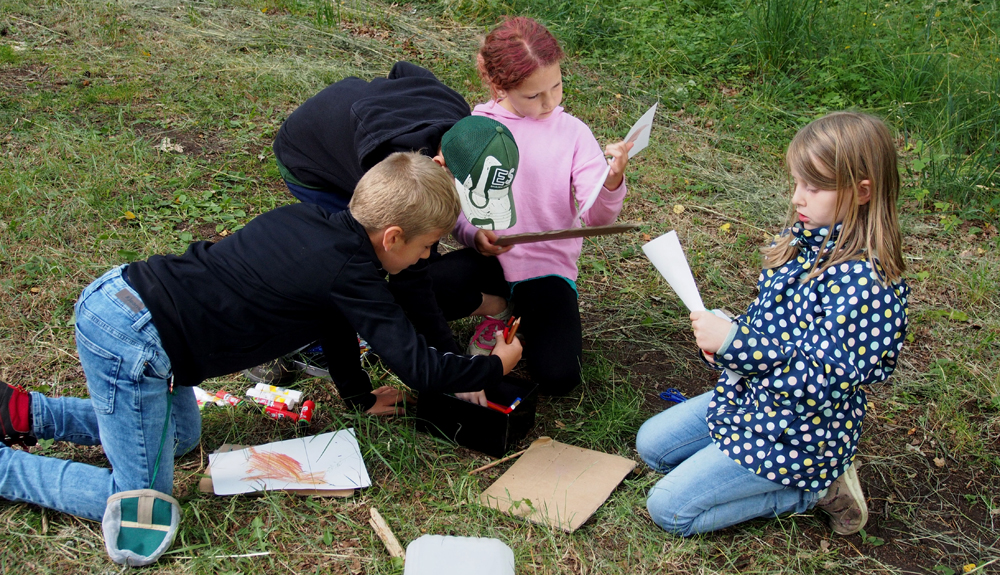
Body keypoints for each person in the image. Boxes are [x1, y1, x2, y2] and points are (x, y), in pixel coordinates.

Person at [0, 152, 522, 522]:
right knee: (142, 505)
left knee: (182, 438)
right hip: (134, 340)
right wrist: (495, 365)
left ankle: (25, 414)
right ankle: (6, 469)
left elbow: (332, 321)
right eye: (428, 247)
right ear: (392, 237)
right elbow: (420, 368)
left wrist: (359, 397)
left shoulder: (319, 222)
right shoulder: (351, 272)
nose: (428, 258)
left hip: (131, 302)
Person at [635, 111, 909, 537]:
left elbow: (822, 382)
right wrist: (729, 333)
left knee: (669, 509)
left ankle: (814, 490)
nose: (798, 197)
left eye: (814, 187)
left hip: (799, 435)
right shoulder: (804, 239)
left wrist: (737, 345)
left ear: (861, 192)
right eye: (796, 183)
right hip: (753, 402)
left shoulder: (867, 287)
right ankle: (730, 461)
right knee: (651, 445)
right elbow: (770, 328)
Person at [429, 17, 633, 396]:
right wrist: (475, 235)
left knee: (559, 377)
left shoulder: (573, 132)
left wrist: (611, 181)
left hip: (546, 271)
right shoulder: (475, 128)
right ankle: (496, 308)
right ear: (498, 85)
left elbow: (596, 216)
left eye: (556, 86)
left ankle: (518, 315)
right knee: (421, 288)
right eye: (534, 95)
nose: (550, 102)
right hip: (490, 264)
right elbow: (460, 207)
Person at [270, 61, 518, 366]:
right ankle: (325, 331)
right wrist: (450, 361)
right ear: (439, 164)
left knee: (414, 253)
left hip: (348, 113)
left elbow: (404, 71)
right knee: (358, 259)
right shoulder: (393, 170)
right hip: (308, 160)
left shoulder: (463, 124)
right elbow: (409, 282)